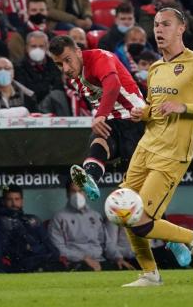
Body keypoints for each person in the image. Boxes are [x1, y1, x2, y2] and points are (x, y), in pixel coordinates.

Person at [109, 7, 193, 287]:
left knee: (141, 219)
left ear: (181, 28)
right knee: (123, 212)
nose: (159, 30)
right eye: (156, 25)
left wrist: (185, 106)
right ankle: (150, 274)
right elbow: (157, 110)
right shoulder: (155, 68)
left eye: (165, 24)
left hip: (172, 153)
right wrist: (144, 113)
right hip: (146, 146)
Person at [49, 35, 145, 200]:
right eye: (59, 64)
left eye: (67, 60)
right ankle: (90, 177)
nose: (65, 68)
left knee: (141, 193)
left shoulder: (100, 57)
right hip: (112, 122)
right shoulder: (75, 78)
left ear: (78, 52)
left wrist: (100, 115)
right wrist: (102, 116)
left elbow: (113, 85)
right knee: (99, 135)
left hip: (135, 120)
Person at [0, 185, 61, 273]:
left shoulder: (33, 220)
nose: (14, 203)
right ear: (4, 201)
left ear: (22, 201)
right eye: (9, 199)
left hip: (43, 262)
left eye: (17, 199)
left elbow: (52, 248)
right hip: (21, 267)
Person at [48, 180, 109, 271]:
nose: (77, 195)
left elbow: (104, 243)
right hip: (75, 262)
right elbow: (58, 248)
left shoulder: (95, 216)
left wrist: (117, 258)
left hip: (99, 260)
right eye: (73, 191)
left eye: (80, 191)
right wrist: (83, 258)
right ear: (67, 194)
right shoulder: (59, 218)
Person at [14, 31, 68, 115]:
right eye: (34, 46)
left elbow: (58, 86)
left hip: (50, 105)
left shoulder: (56, 65)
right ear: (27, 47)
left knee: (58, 95)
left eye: (41, 46)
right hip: (28, 106)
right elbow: (24, 90)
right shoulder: (18, 66)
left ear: (47, 48)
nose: (37, 49)